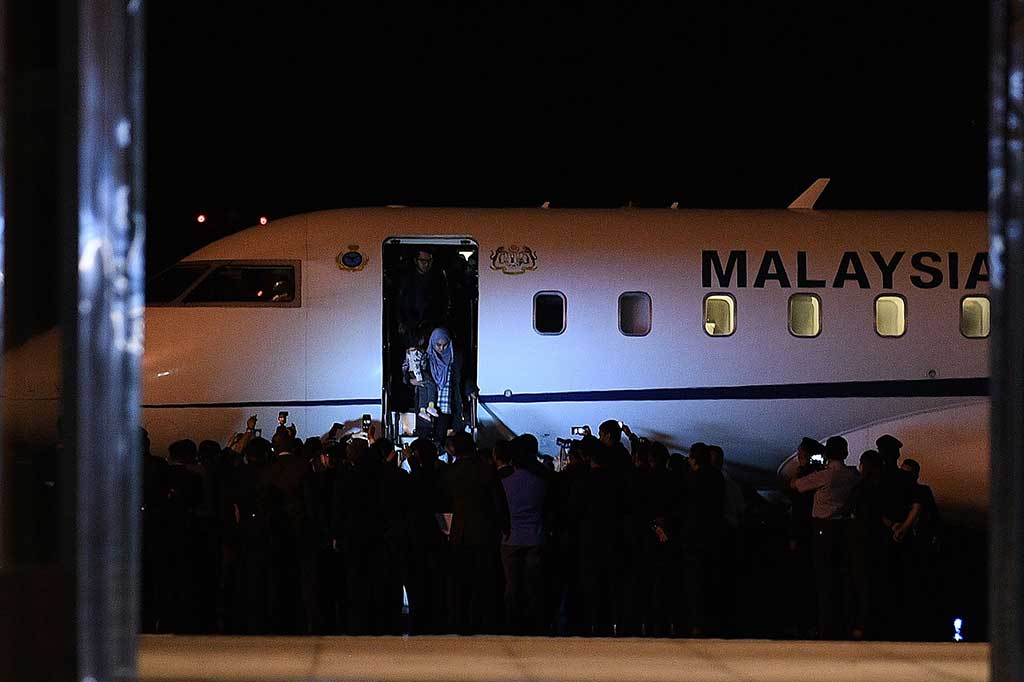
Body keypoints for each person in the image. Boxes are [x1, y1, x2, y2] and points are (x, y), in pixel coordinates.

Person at [792, 435, 860, 639]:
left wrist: (802, 466)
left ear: (827, 453)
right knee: (842, 578)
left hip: (823, 530)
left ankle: (825, 627)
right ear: (846, 453)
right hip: (844, 529)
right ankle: (843, 625)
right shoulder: (853, 475)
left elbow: (795, 485)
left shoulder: (825, 475)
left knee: (824, 580)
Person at [443, 431, 510, 634]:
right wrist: (505, 526)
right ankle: (482, 620)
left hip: (459, 531)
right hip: (484, 531)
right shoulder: (486, 469)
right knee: (483, 580)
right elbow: (499, 502)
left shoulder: (450, 472)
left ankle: (460, 621)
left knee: (461, 581)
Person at [500, 441, 548, 634]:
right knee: (533, 585)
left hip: (511, 538)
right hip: (535, 537)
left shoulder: (505, 483)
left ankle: (512, 624)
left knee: (512, 585)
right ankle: (535, 624)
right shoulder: (540, 482)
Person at [417, 327, 466, 443]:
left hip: (445, 404)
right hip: (427, 403)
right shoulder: (425, 358)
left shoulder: (454, 358)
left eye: (445, 345)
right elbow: (413, 374)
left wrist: (471, 390)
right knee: (424, 439)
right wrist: (411, 380)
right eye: (438, 345)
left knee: (440, 438)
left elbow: (462, 378)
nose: (441, 348)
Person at [397, 248, 449, 345]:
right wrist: (402, 322)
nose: (426, 264)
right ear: (415, 261)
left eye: (429, 261)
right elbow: (401, 301)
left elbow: (443, 302)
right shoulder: (407, 278)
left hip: (432, 325)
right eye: (423, 260)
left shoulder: (438, 278)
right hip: (411, 324)